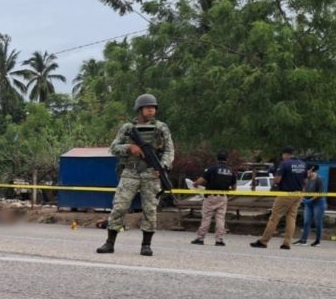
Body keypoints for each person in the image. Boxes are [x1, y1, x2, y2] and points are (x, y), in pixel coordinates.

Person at [96, 93, 174, 256]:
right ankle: (109, 243)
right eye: (148, 107)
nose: (151, 110)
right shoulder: (127, 128)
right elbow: (114, 148)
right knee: (119, 207)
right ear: (140, 109)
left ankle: (146, 245)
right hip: (130, 172)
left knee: (150, 210)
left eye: (153, 107)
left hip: (152, 173)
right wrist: (129, 148)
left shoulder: (161, 127)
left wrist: (163, 166)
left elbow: (169, 150)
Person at [251, 147, 306, 250]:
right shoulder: (302, 164)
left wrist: (276, 176)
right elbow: (305, 181)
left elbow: (277, 180)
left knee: (274, 218)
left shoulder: (285, 164)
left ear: (285, 154)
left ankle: (263, 241)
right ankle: (287, 243)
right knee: (291, 218)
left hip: (285, 194)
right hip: (298, 194)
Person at [190, 150, 237, 246]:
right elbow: (234, 187)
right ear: (227, 159)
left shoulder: (212, 168)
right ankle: (219, 240)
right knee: (220, 218)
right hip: (223, 197)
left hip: (211, 196)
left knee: (206, 217)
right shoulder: (230, 171)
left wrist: (195, 184)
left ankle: (200, 238)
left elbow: (202, 180)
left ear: (217, 158)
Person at [296, 165, 326, 247]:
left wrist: (310, 200)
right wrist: (302, 198)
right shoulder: (307, 179)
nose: (306, 173)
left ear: (312, 170)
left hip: (318, 203)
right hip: (308, 203)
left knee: (317, 222)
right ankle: (303, 240)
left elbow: (320, 193)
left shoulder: (319, 179)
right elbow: (303, 190)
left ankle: (317, 241)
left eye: (307, 171)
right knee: (306, 222)